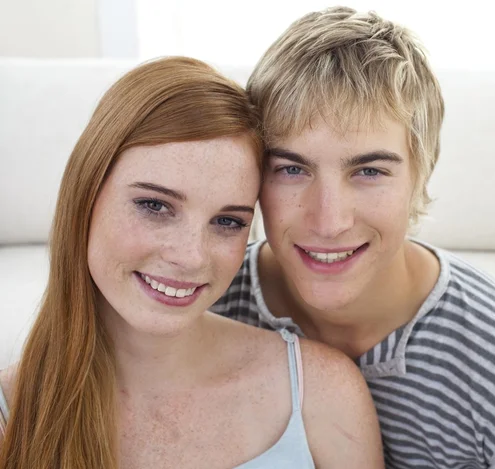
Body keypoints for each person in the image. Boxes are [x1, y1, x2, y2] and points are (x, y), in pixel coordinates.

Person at [211, 7, 495, 469]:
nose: (329, 220)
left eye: (369, 171)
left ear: (421, 174)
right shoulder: (204, 303)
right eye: (292, 169)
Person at [0, 57, 384, 469]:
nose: (191, 256)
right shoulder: (13, 414)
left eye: (226, 221)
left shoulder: (321, 393)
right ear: (86, 195)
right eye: (154, 205)